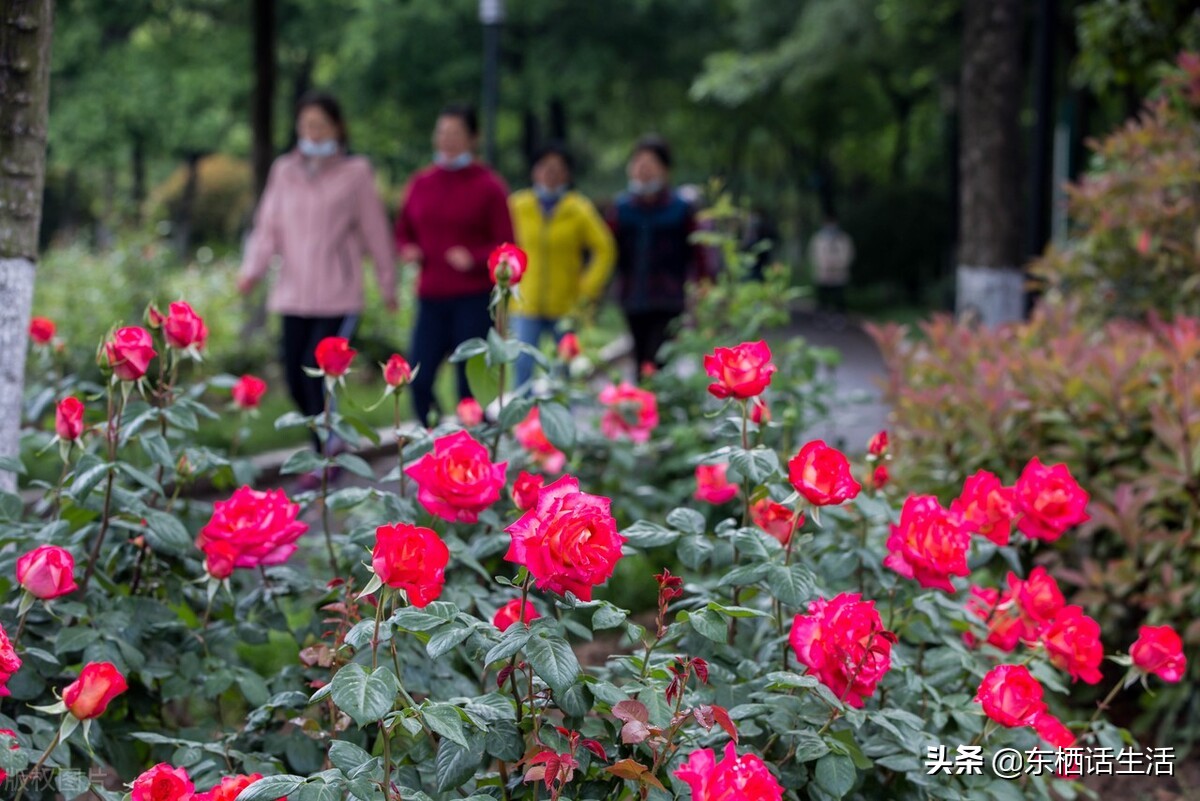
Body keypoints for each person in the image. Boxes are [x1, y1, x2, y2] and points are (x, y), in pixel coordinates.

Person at [238, 91, 397, 485]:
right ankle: (328, 447)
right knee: (295, 377)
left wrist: (387, 283)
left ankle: (326, 456)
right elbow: (266, 228)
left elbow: (376, 232)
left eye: (320, 125)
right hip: (292, 294)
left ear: (337, 128)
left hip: (338, 297)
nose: (312, 132)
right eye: (306, 125)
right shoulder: (284, 171)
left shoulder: (356, 172)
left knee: (320, 376)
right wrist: (251, 270)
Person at [395, 104, 514, 425]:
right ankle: (434, 440)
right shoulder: (422, 183)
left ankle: (474, 454)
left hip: (472, 298)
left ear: (472, 138)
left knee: (468, 386)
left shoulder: (489, 185)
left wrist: (474, 258)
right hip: (431, 296)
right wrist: (408, 249)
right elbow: (403, 230)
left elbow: (507, 246)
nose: (446, 140)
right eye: (441, 133)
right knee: (418, 378)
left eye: (455, 133)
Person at [508, 141, 615, 392]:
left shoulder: (578, 209)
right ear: (534, 171)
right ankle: (522, 424)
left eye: (557, 168)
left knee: (565, 368)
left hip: (566, 304)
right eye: (544, 167)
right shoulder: (518, 206)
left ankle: (562, 425)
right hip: (526, 302)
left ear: (567, 174)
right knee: (522, 363)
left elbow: (605, 248)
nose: (549, 173)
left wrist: (588, 288)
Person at [608, 135, 708, 375]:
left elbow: (699, 253)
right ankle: (646, 405)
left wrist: (703, 288)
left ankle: (654, 406)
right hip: (632, 296)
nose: (643, 169)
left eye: (650, 163)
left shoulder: (680, 208)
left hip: (669, 297)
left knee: (657, 358)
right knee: (641, 355)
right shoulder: (622, 208)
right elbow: (608, 251)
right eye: (638, 162)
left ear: (664, 170)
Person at [809, 215, 855, 318]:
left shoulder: (843, 238)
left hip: (839, 272)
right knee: (823, 296)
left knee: (838, 295)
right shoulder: (818, 238)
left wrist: (837, 264)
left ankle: (840, 315)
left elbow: (848, 254)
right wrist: (824, 265)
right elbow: (814, 254)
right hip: (823, 272)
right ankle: (822, 314)